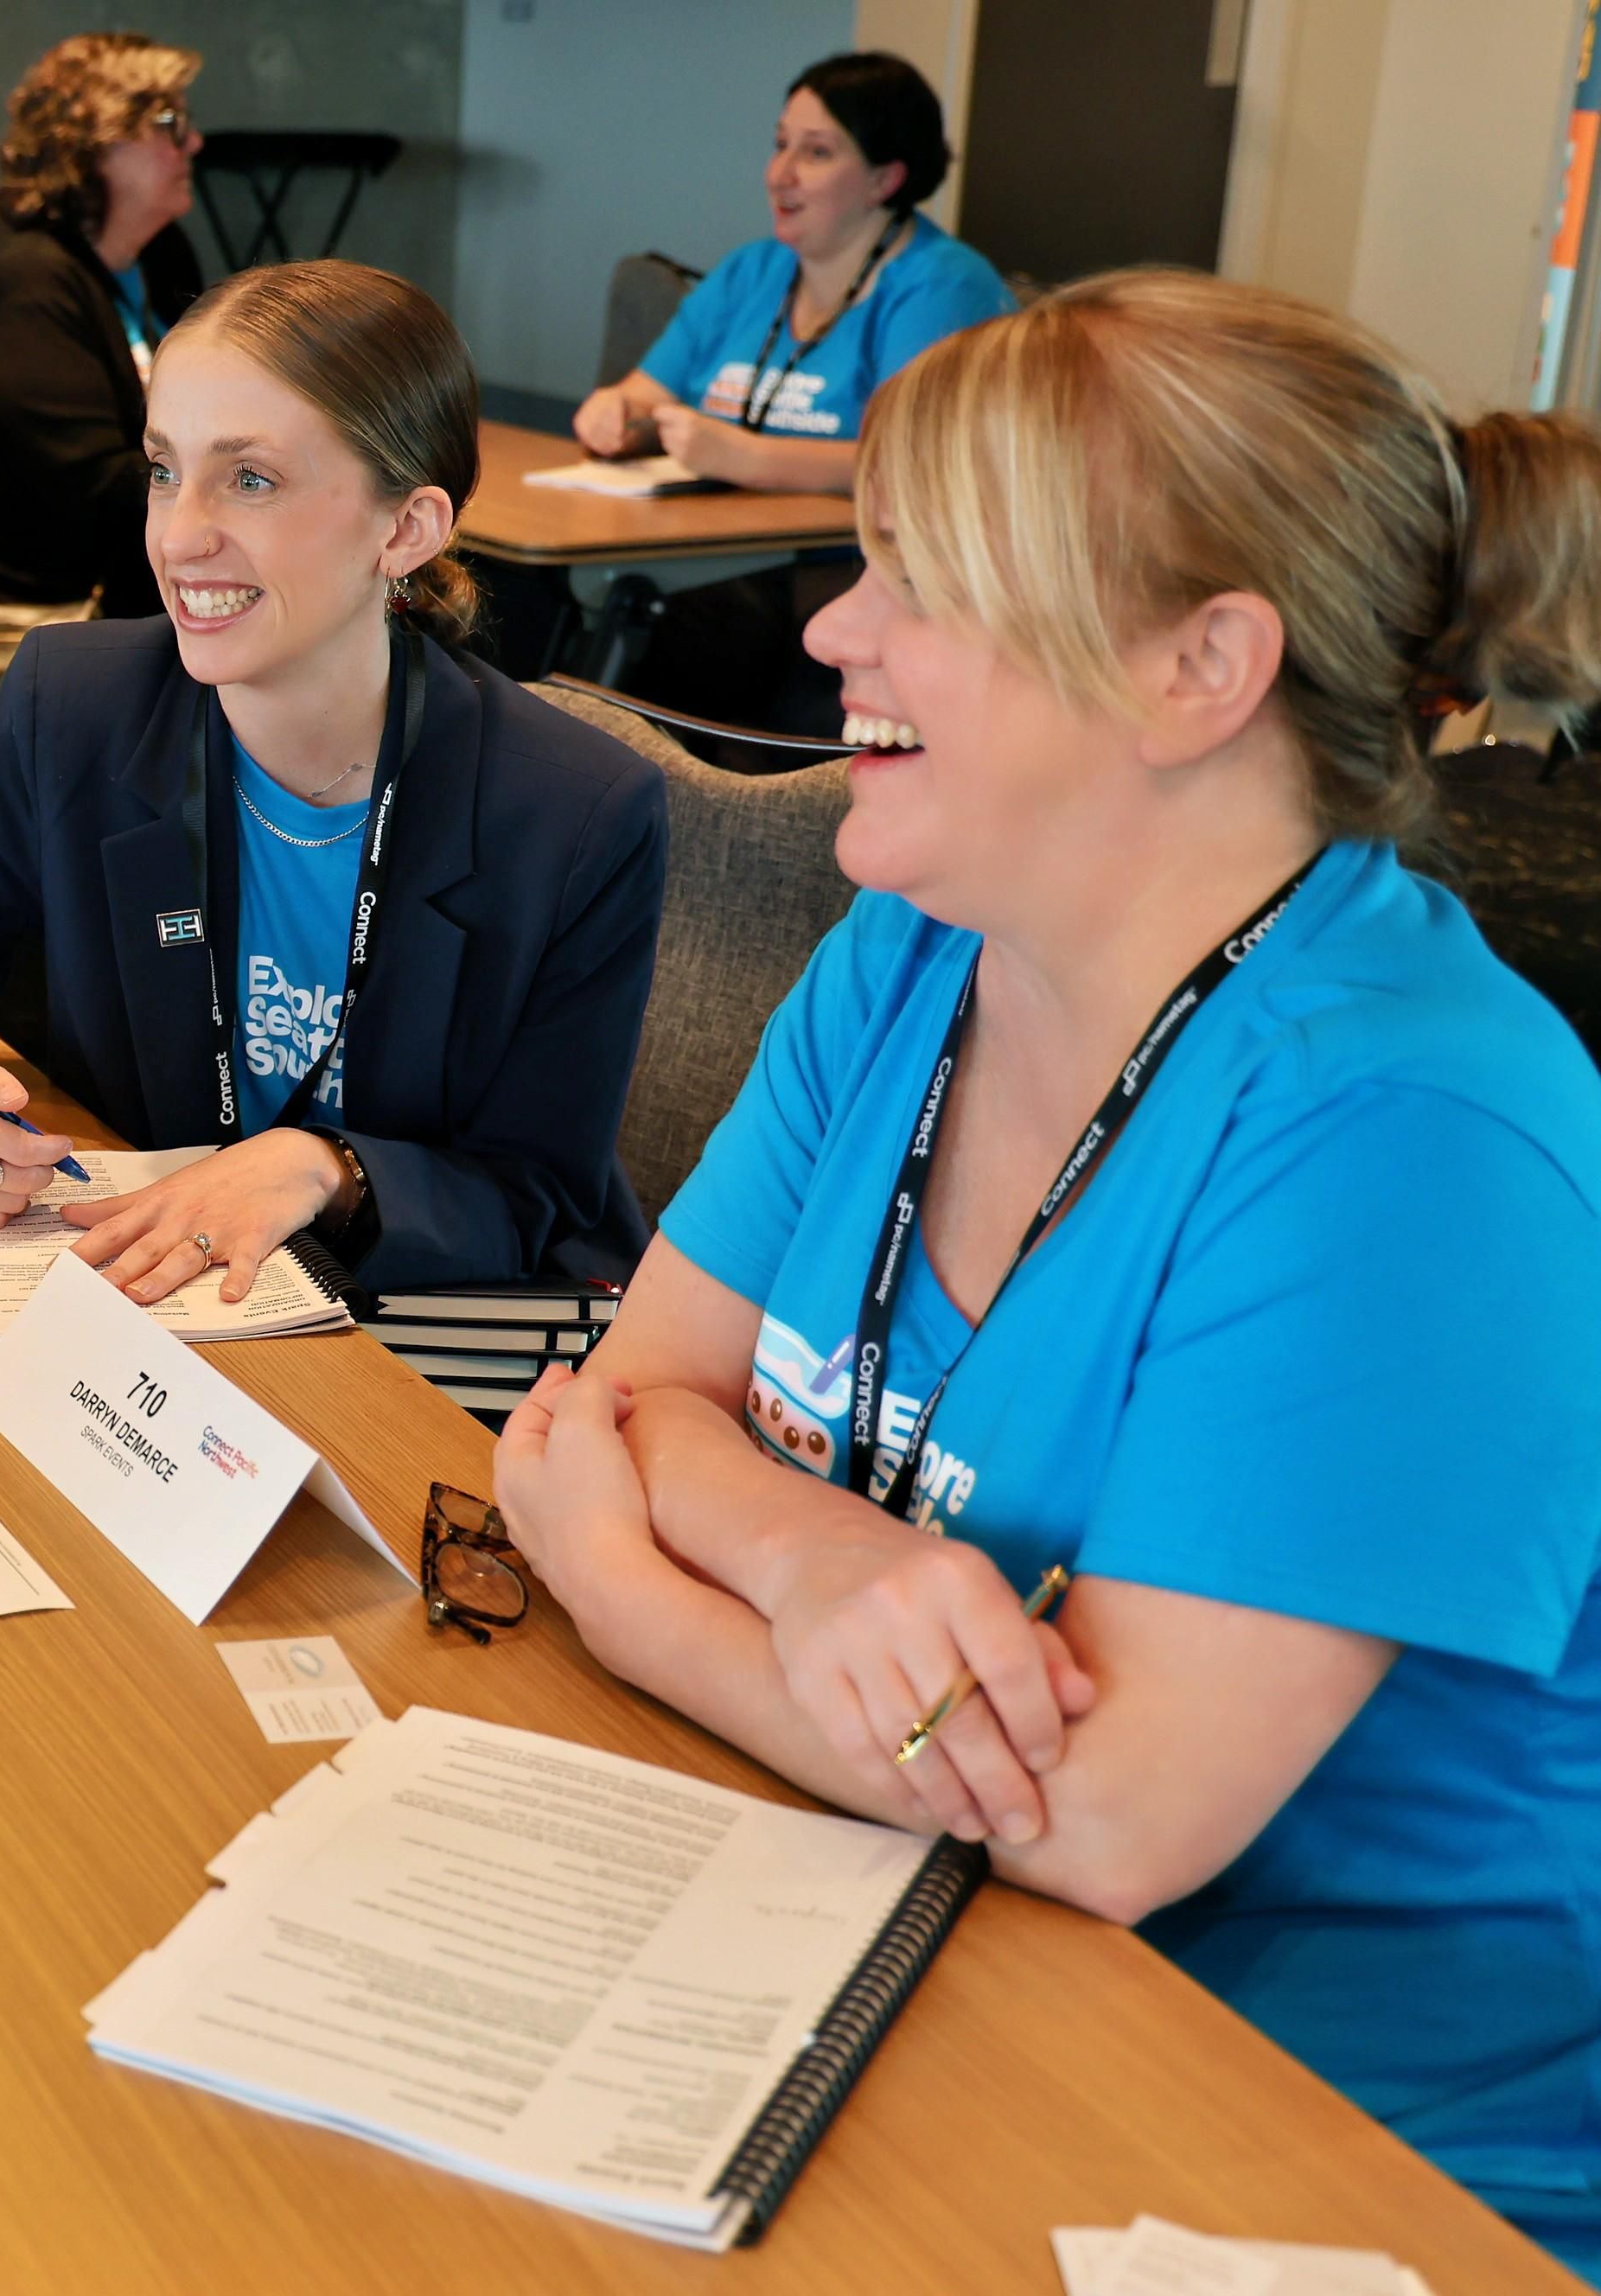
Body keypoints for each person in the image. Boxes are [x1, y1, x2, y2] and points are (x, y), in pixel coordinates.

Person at [494, 273, 1601, 2273]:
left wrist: (619, 1578)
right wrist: (821, 1558)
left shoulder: (1416, 1121)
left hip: (1334, 2148)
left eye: (924, 573)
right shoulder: (914, 946)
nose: (834, 626)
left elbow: (1099, 1821)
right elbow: (634, 1393)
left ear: (1199, 666)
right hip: (915, 1933)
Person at [0, 260, 668, 1297]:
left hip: (419, 1340)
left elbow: (537, 1198)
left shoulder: (574, 811)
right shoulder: (73, 705)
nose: (177, 533)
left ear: (407, 528)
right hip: (161, 1323)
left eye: (250, 478)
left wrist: (323, 1168)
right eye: (165, 469)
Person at [567, 51, 1011, 731]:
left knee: (644, 620)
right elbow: (643, 393)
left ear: (885, 178)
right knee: (538, 593)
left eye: (817, 152)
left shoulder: (941, 286)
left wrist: (748, 458)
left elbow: (913, 467)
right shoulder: (753, 270)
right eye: (780, 146)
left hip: (846, 568)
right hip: (704, 545)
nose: (781, 174)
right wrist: (618, 414)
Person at [0, 31, 208, 624]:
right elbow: (100, 491)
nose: (194, 143)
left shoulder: (162, 259)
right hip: (52, 620)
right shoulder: (22, 289)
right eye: (168, 123)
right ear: (94, 145)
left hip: (143, 584)